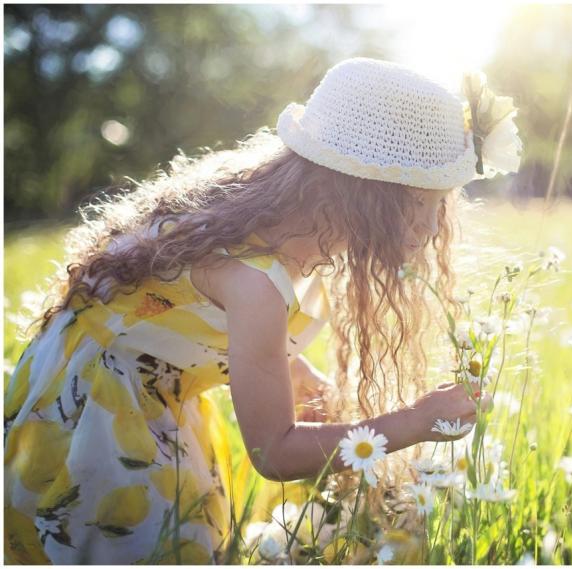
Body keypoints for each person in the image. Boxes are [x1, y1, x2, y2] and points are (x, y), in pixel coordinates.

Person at [4, 57, 521, 564]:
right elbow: (274, 453)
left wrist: (288, 367)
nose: (433, 228)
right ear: (363, 194)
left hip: (145, 385)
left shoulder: (276, 218)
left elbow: (173, 312)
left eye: (441, 205)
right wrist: (415, 421)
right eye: (420, 204)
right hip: (94, 412)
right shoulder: (256, 281)